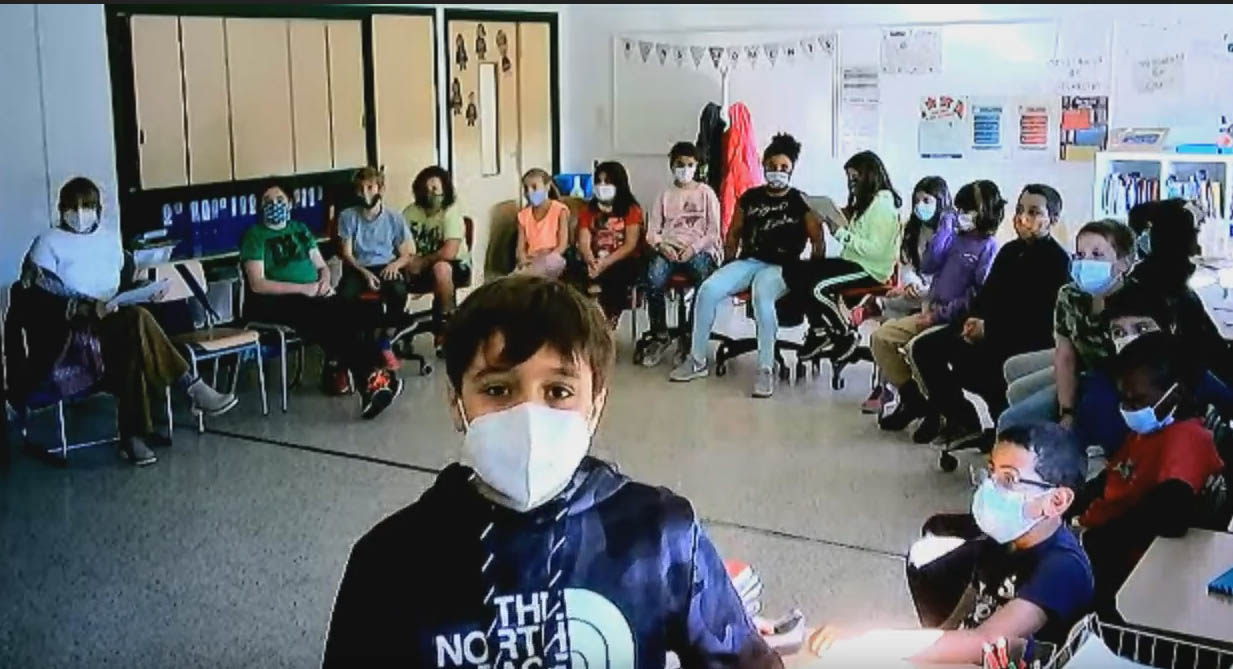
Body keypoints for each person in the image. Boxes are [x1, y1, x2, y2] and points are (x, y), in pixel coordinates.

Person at [323, 276, 781, 668]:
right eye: (497, 389)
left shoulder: (661, 535)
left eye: (559, 391)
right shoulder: (390, 563)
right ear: (456, 403)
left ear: (595, 405)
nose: (529, 415)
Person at [813, 424, 1092, 666]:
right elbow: (968, 605)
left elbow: (986, 641)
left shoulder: (1062, 567)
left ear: (1057, 501)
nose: (990, 488)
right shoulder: (1005, 539)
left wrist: (871, 642)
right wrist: (931, 640)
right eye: (991, 473)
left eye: (1009, 480)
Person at [17, 177, 236, 465]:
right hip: (71, 334)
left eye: (87, 206)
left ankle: (134, 438)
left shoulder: (110, 240)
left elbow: (121, 286)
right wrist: (86, 308)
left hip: (114, 325)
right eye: (73, 206)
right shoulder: (47, 243)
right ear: (61, 209)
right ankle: (189, 387)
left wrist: (144, 290)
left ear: (98, 209)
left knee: (133, 335)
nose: (80, 213)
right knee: (136, 324)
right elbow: (38, 300)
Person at [1071, 333, 1225, 619]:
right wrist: (1071, 502)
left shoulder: (1187, 439)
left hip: (1125, 557)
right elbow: (1114, 475)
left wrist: (1093, 541)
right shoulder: (1149, 431)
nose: (1129, 410)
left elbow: (1168, 512)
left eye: (1137, 401)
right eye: (1125, 401)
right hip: (1097, 533)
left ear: (1175, 394)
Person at [910, 185, 1072, 453]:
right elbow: (986, 296)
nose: (1023, 218)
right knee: (926, 348)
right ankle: (963, 420)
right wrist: (972, 320)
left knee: (973, 364)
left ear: (1052, 219)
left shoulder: (1057, 262)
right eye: (1020, 210)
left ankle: (1005, 427)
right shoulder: (1009, 251)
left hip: (1023, 341)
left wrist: (990, 329)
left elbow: (1040, 321)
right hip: (988, 329)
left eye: (1033, 212)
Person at [669, 133, 824, 398]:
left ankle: (765, 369)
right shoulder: (750, 198)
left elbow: (818, 240)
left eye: (784, 167)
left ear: (792, 170)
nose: (777, 172)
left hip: (782, 267)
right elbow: (733, 234)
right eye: (772, 166)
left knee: (763, 297)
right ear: (763, 165)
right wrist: (727, 265)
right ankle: (696, 360)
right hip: (749, 260)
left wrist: (811, 273)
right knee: (708, 290)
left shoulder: (801, 201)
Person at [241, 182, 402, 419]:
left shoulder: (300, 229)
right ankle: (374, 378)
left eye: (280, 200)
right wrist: (304, 289)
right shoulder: (255, 236)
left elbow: (321, 266)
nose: (274, 205)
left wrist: (324, 283)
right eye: (268, 201)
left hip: (315, 294)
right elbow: (258, 283)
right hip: (276, 301)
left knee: (355, 312)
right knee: (329, 319)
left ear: (290, 203)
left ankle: (368, 378)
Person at [874, 180, 1000, 443]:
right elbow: (929, 265)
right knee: (881, 339)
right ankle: (913, 400)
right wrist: (945, 229)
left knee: (918, 349)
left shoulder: (988, 247)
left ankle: (948, 412)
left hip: (953, 318)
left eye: (967, 211)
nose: (962, 215)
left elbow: (976, 296)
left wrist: (938, 316)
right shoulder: (955, 238)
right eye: (959, 210)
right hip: (930, 309)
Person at [997, 220, 1136, 454]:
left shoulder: (1135, 301)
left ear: (1124, 262)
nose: (1086, 262)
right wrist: (1066, 411)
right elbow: (1065, 354)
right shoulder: (1069, 295)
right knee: (1015, 378)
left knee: (1011, 419)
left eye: (1097, 255)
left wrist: (1071, 412)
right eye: (1080, 255)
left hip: (1107, 379)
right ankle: (1040, 446)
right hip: (1080, 359)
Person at [786, 150, 902, 364]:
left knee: (816, 288)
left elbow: (875, 250)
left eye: (855, 177)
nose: (851, 183)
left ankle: (845, 333)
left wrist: (840, 233)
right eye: (849, 178)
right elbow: (861, 236)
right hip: (853, 261)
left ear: (868, 176)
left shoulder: (882, 205)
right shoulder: (867, 203)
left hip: (870, 270)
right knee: (796, 271)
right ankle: (819, 331)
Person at [859, 176, 955, 414]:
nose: (921, 206)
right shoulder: (912, 229)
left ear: (941, 202)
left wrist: (919, 289)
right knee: (892, 310)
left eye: (927, 200)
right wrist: (911, 283)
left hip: (937, 298)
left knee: (892, 306)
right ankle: (889, 386)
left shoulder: (952, 233)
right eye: (917, 200)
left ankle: (898, 388)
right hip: (917, 291)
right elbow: (907, 265)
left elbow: (949, 279)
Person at [1125, 198, 1233, 387]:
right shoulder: (1166, 292)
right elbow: (1211, 356)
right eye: (1194, 233)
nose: (1198, 247)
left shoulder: (1165, 284)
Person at [640, 141, 722, 367]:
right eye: (680, 164)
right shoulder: (664, 195)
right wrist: (662, 246)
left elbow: (714, 232)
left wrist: (693, 249)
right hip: (669, 248)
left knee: (704, 280)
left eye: (690, 164)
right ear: (671, 166)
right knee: (653, 277)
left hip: (699, 249)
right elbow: (652, 232)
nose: (685, 169)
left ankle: (690, 336)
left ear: (697, 166)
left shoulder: (706, 194)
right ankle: (660, 335)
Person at [336, 166, 415, 370]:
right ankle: (351, 349)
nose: (366, 193)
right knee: (344, 296)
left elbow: (406, 254)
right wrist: (364, 274)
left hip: (386, 264)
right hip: (359, 267)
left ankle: (386, 339)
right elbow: (347, 254)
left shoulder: (394, 218)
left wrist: (395, 265)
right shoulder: (347, 216)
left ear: (380, 189)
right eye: (361, 189)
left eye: (370, 187)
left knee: (398, 291)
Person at [402, 165, 473, 352]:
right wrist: (408, 262)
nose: (430, 193)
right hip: (418, 265)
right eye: (426, 188)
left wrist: (422, 262)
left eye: (435, 188)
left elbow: (449, 252)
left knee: (441, 268)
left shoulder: (451, 212)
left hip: (455, 265)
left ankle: (447, 326)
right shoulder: (409, 213)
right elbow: (398, 243)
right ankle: (395, 329)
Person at [573, 160, 644, 327]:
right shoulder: (588, 211)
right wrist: (591, 261)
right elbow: (584, 241)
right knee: (573, 272)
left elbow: (630, 245)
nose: (602, 186)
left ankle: (608, 321)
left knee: (617, 274)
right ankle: (584, 323)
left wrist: (605, 263)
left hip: (621, 259)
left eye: (607, 182)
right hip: (594, 259)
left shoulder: (631, 210)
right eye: (599, 181)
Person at [515, 168, 569, 279]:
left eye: (534, 187)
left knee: (551, 263)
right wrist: (523, 260)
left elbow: (562, 244)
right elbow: (520, 248)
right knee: (517, 277)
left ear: (547, 186)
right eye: (526, 188)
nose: (529, 192)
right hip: (531, 259)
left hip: (553, 257)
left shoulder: (560, 210)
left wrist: (548, 257)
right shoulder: (523, 216)